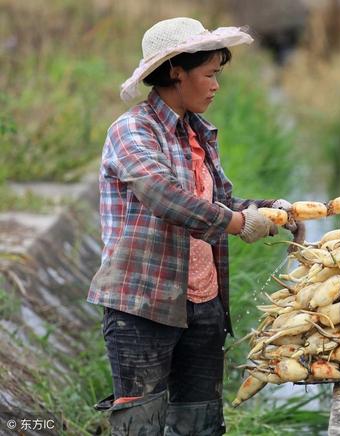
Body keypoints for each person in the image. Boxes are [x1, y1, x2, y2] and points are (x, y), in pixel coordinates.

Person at [87, 17, 303, 435]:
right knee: (140, 425)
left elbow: (214, 203)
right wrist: (238, 222)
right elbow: (163, 196)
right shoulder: (133, 130)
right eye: (209, 74)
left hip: (203, 305)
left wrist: (267, 210)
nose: (216, 85)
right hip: (143, 305)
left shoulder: (198, 133)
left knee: (200, 424)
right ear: (175, 72)